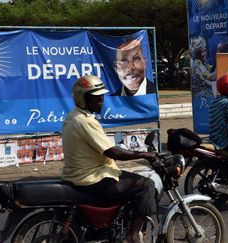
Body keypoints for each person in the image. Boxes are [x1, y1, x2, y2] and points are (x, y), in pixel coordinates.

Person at [62, 75, 157, 243]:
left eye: (102, 96)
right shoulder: (85, 122)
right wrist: (144, 154)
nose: (101, 100)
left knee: (127, 179)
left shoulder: (73, 116)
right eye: (96, 97)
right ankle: (132, 236)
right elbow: (113, 152)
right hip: (93, 177)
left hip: (80, 174)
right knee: (146, 185)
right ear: (83, 98)